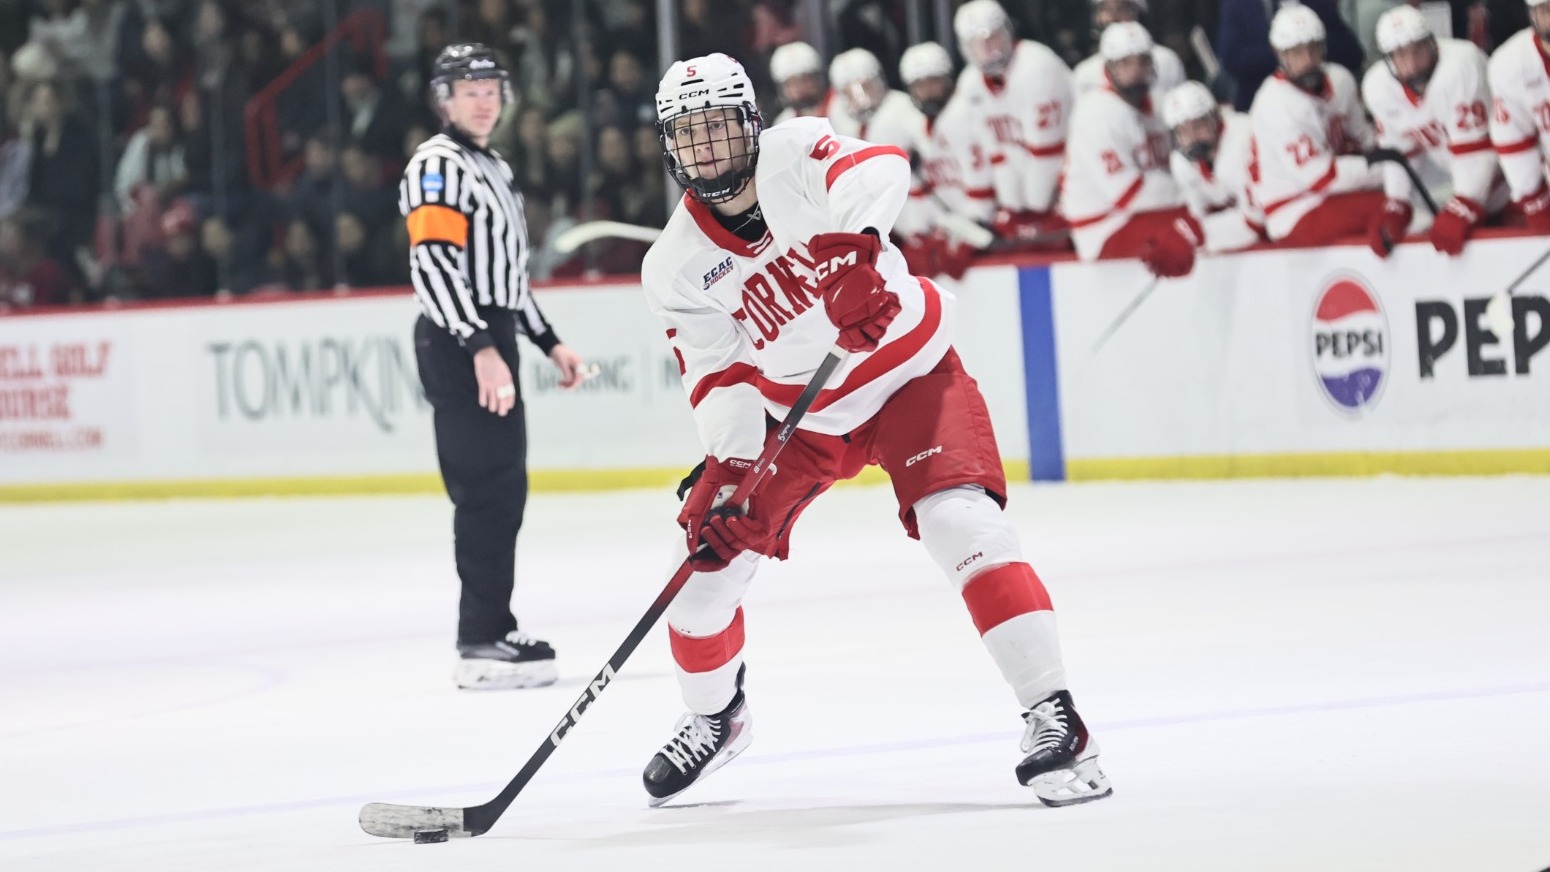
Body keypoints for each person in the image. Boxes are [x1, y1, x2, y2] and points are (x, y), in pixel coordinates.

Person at [636, 52, 1113, 810]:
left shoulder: (798, 151)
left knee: (961, 523)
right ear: (668, 146)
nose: (707, 150)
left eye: (720, 128)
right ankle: (714, 717)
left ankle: (1055, 717)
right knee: (695, 579)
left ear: (751, 124)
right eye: (688, 135)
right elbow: (718, 377)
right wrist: (726, 472)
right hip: (806, 416)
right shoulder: (673, 266)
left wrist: (855, 244)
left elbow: (880, 169)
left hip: (909, 374)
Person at [399, 43, 589, 690]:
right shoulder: (438, 165)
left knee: (504, 488)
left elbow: (507, 278)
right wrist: (479, 347)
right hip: (461, 341)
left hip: (488, 333)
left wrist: (547, 341)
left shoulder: (494, 167)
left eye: (490, 88)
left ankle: (492, 627)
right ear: (444, 100)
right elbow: (434, 266)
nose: (482, 100)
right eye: (468, 89)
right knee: (484, 488)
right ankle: (480, 639)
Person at [1362, 5, 1498, 258]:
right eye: (1401, 55)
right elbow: (1400, 152)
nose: (1412, 64)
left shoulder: (1461, 65)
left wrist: (1465, 203)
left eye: (1418, 50)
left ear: (1432, 43)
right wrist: (1397, 203)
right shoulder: (1377, 86)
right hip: (1465, 188)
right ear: (1389, 59)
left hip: (1509, 182)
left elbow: (1475, 149)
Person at [1248, 5, 1382, 245]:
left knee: (1400, 198)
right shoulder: (1276, 104)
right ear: (1280, 55)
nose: (1308, 59)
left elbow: (1365, 140)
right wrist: (1386, 169)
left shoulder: (1340, 79)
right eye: (1297, 52)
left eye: (1313, 48)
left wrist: (1384, 160)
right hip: (1293, 209)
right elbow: (1322, 177)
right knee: (1394, 207)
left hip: (1334, 195)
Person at [951, 0, 1075, 248]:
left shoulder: (1037, 67)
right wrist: (1012, 207)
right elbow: (997, 153)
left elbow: (1048, 152)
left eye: (993, 37)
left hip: (1068, 184)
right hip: (1032, 200)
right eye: (977, 43)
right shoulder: (970, 84)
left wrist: (1034, 209)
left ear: (1007, 31)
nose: (988, 49)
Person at [1060, 22, 1183, 261]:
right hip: (1103, 227)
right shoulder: (1097, 113)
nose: (1135, 70)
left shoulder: (1158, 103)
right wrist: (1187, 194)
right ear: (1108, 68)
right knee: (1193, 226)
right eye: (1125, 63)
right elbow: (1129, 195)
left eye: (1142, 61)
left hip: (1144, 214)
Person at [1141, 80, 1263, 278]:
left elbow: (1257, 223)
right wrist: (1190, 235)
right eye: (1183, 131)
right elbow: (1202, 216)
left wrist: (1194, 233)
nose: (1192, 137)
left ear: (1215, 118)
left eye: (1198, 125)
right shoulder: (1182, 162)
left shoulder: (1242, 141)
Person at [895, 40, 995, 278]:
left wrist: (964, 236)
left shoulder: (964, 115)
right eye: (919, 85)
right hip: (954, 229)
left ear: (948, 79)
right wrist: (920, 233)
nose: (927, 91)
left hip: (984, 230)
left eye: (933, 82)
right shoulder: (915, 125)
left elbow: (982, 186)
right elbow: (925, 190)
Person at [1488, 0, 1550, 232]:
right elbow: (1513, 138)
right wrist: (1534, 199)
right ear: (1532, 14)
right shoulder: (1510, 63)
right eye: (1546, 9)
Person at [1071, 0, 1185, 100]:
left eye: (1121, 8)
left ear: (1137, 12)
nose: (1113, 17)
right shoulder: (1084, 73)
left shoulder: (1166, 60)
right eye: (1105, 9)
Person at [768, 41, 857, 133]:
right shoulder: (783, 123)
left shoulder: (846, 106)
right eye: (792, 83)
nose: (799, 88)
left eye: (805, 79)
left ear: (818, 78)